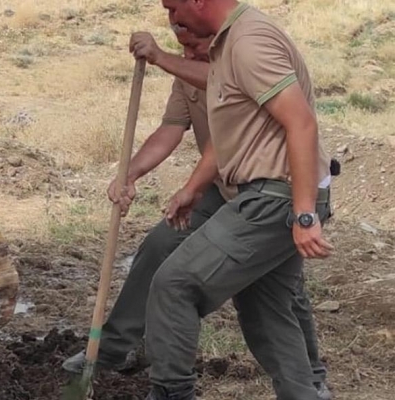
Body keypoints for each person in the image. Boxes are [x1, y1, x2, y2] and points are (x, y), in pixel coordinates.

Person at [62, 25, 332, 400]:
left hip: (269, 190)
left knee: (275, 290)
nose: (187, 53)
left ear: (218, 42)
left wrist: (191, 187)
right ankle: (113, 347)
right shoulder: (186, 77)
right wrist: (130, 174)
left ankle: (311, 380)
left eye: (195, 45)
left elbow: (223, 148)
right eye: (182, 46)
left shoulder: (239, 68)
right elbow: (170, 130)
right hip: (224, 190)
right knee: (160, 245)